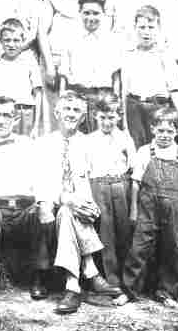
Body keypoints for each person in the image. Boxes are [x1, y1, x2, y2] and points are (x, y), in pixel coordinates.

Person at [36, 91, 117, 314]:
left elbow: (93, 178)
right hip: (52, 203)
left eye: (77, 111)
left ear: (83, 117)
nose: (71, 114)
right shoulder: (44, 143)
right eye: (67, 109)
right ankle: (90, 272)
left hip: (80, 207)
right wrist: (64, 198)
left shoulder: (89, 144)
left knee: (68, 212)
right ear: (57, 113)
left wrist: (86, 203)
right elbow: (40, 181)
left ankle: (72, 286)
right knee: (65, 209)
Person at [0, 96, 53, 300]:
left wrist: (43, 203)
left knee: (39, 211)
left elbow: (43, 178)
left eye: (6, 115)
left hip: (24, 208)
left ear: (15, 119)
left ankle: (38, 277)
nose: (1, 121)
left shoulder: (28, 145)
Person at [121, 107, 178, 307]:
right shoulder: (145, 151)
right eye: (160, 130)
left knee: (173, 248)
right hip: (147, 207)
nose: (164, 135)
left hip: (173, 208)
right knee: (139, 247)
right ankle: (130, 290)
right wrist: (134, 210)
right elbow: (135, 183)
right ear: (152, 129)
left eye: (169, 131)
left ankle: (167, 292)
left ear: (176, 132)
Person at [82, 93, 135, 306]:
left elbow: (131, 165)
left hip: (120, 185)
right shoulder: (89, 140)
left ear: (119, 116)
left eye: (111, 117)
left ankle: (127, 282)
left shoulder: (125, 138)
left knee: (124, 233)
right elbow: (86, 171)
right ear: (95, 116)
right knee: (105, 234)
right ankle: (110, 283)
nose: (107, 122)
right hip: (99, 186)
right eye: (102, 117)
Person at [120, 5, 178, 149]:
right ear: (135, 28)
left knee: (158, 147)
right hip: (134, 108)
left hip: (158, 108)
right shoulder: (128, 54)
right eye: (142, 27)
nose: (146, 32)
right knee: (137, 148)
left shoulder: (165, 54)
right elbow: (124, 89)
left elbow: (174, 88)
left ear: (158, 28)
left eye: (151, 27)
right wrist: (124, 122)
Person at [40, 0, 90, 133]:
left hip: (79, 63)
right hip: (55, 60)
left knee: (76, 110)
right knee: (56, 111)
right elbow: (42, 32)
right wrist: (49, 65)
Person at [60, 0, 120, 132]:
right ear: (80, 13)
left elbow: (116, 77)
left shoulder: (111, 40)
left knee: (100, 138)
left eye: (95, 13)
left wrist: (115, 103)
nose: (91, 18)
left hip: (102, 98)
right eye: (86, 13)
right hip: (77, 97)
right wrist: (62, 99)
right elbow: (64, 74)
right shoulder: (70, 38)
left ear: (103, 13)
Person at [0, 19, 42, 137]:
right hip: (1, 113)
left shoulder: (30, 63)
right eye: (7, 40)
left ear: (23, 40)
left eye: (16, 40)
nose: (11, 45)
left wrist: (36, 126)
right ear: (0, 41)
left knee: (23, 145)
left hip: (24, 112)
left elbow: (38, 94)